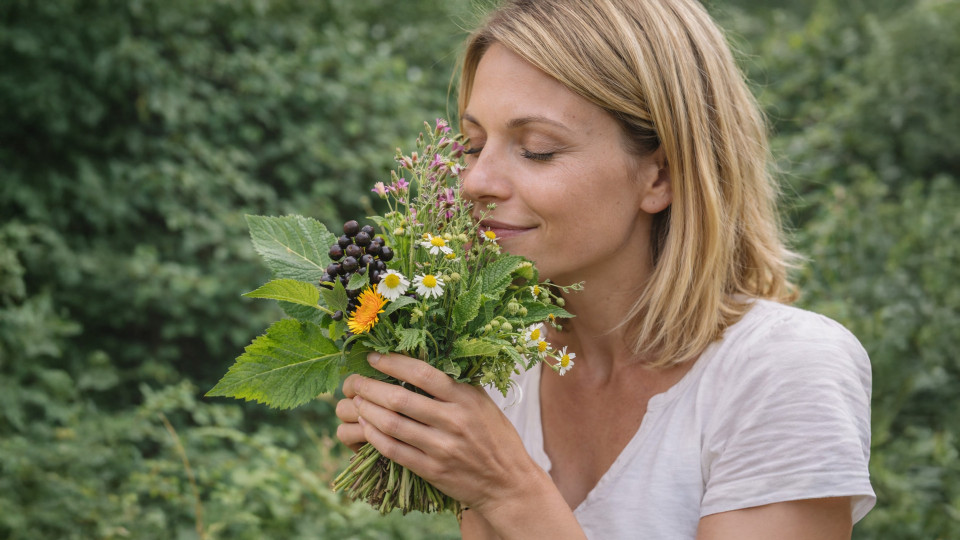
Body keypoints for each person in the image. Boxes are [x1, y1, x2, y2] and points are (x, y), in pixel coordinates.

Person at [335, 0, 875, 538]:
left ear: (660, 175)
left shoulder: (783, 370)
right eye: (473, 146)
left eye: (537, 150)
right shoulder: (500, 364)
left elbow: (512, 497)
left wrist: (506, 489)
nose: (476, 181)